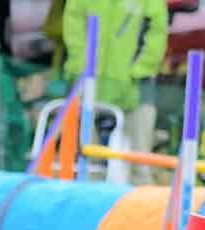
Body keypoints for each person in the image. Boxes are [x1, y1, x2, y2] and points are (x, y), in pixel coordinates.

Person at [62, 0, 169, 182]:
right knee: (87, 160)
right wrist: (82, 67)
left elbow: (157, 35)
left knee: (139, 161)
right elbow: (73, 28)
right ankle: (92, 201)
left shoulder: (151, 3)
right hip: (89, 84)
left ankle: (141, 205)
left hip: (136, 88)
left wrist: (139, 71)